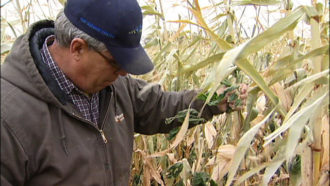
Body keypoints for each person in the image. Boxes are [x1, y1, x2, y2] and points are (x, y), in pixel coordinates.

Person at [1, 0, 247, 185]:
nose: (124, 74)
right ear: (78, 48)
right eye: (117, 63)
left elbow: (161, 108)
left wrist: (214, 100)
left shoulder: (113, 86)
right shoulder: (10, 116)